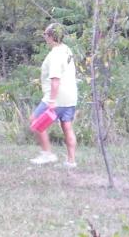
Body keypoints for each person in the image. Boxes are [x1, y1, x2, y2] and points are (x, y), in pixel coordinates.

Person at [30, 23, 78, 168]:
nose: (44, 37)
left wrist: (51, 101)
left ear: (51, 36)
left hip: (57, 98)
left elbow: (55, 80)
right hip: (71, 97)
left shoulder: (55, 55)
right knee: (67, 127)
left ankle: (47, 154)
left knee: (35, 121)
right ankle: (71, 161)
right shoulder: (66, 49)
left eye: (45, 34)